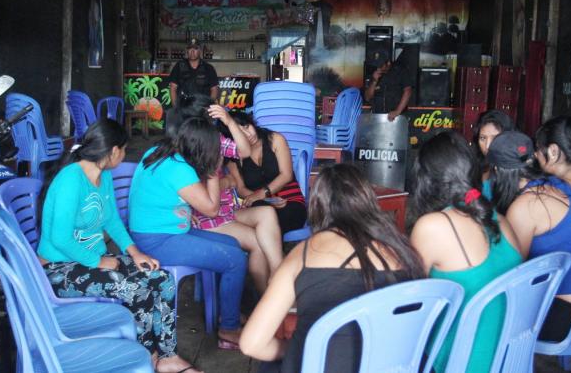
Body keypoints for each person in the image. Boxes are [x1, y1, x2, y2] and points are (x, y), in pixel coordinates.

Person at [37, 119, 199, 373]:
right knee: (137, 289)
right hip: (58, 268)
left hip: (88, 261)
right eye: (123, 150)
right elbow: (60, 238)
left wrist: (135, 253)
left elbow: (112, 220)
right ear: (113, 151)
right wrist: (98, 262)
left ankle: (169, 356)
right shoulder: (71, 179)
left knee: (162, 279)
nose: (124, 155)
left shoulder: (103, 176)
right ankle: (147, 357)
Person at [239, 164, 425, 372]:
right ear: (368, 201)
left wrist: (293, 350)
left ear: (318, 206)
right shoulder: (400, 250)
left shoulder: (305, 254)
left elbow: (252, 344)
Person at [128, 116, 247, 351]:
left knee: (232, 244)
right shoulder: (180, 169)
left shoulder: (160, 151)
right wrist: (214, 171)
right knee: (235, 259)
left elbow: (162, 193)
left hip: (164, 229)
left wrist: (182, 212)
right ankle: (229, 329)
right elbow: (212, 209)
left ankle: (227, 312)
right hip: (156, 239)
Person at [409, 132, 522, 373]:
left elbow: (411, 301)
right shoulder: (500, 220)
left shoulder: (433, 226)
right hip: (509, 359)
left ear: (426, 180)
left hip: (461, 363)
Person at [487, 131, 571, 342]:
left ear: (497, 170)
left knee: (484, 312)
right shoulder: (558, 183)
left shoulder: (525, 206)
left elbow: (511, 270)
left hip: (569, 317)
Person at [169, 95, 283, 294]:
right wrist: (225, 181)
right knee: (258, 243)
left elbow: (244, 151)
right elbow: (198, 195)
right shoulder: (185, 147)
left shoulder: (215, 139)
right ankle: (271, 295)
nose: (216, 120)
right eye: (213, 115)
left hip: (227, 211)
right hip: (207, 218)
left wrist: (230, 121)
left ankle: (278, 275)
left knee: (267, 213)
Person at [225, 111, 308, 234]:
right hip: (260, 203)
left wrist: (262, 194)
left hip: (290, 200)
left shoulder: (275, 139)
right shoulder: (234, 156)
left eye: (247, 126)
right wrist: (265, 200)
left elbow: (286, 175)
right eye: (240, 133)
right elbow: (241, 189)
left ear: (252, 123)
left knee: (279, 217)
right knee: (261, 214)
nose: (248, 134)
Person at [363, 48, 412, 121]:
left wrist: (397, 111)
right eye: (376, 65)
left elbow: (408, 91)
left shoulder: (400, 71)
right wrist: (374, 81)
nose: (378, 68)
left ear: (388, 63)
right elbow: (367, 97)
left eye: (380, 65)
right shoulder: (374, 73)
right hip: (378, 116)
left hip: (396, 117)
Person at [168, 38, 220, 104]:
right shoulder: (179, 66)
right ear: (187, 50)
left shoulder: (208, 68)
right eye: (190, 48)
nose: (192, 51)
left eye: (195, 48)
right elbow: (173, 88)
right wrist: (176, 107)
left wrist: (209, 106)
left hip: (202, 107)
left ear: (200, 50)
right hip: (184, 107)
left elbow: (214, 89)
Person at [473, 110, 516, 186]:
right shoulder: (476, 167)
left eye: (495, 138)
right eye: (483, 138)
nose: (488, 146)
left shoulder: (517, 172)